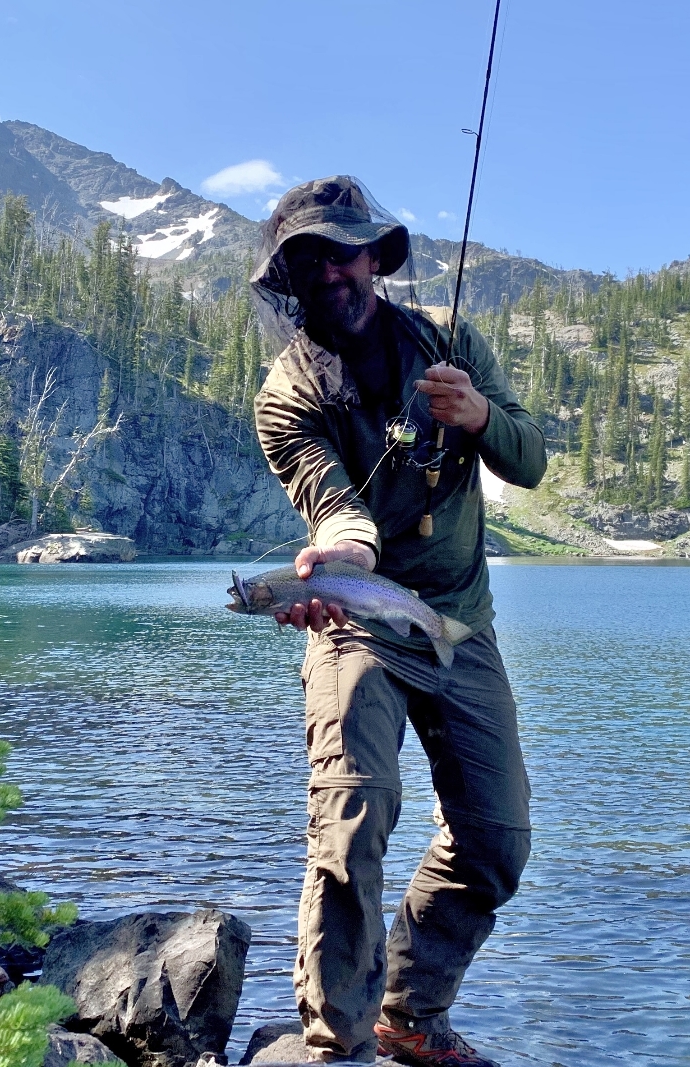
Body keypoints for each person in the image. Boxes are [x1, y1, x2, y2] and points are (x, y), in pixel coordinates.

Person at [250, 176, 546, 1066]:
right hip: (357, 621)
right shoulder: (285, 394)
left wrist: (479, 415)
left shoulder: (449, 344)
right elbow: (335, 505)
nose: (330, 274)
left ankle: (409, 1010)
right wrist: (340, 558)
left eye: (343, 254)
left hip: (457, 621)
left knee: (497, 838)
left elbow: (531, 461)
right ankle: (336, 1040)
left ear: (375, 258)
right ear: (291, 278)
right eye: (309, 261)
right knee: (353, 814)